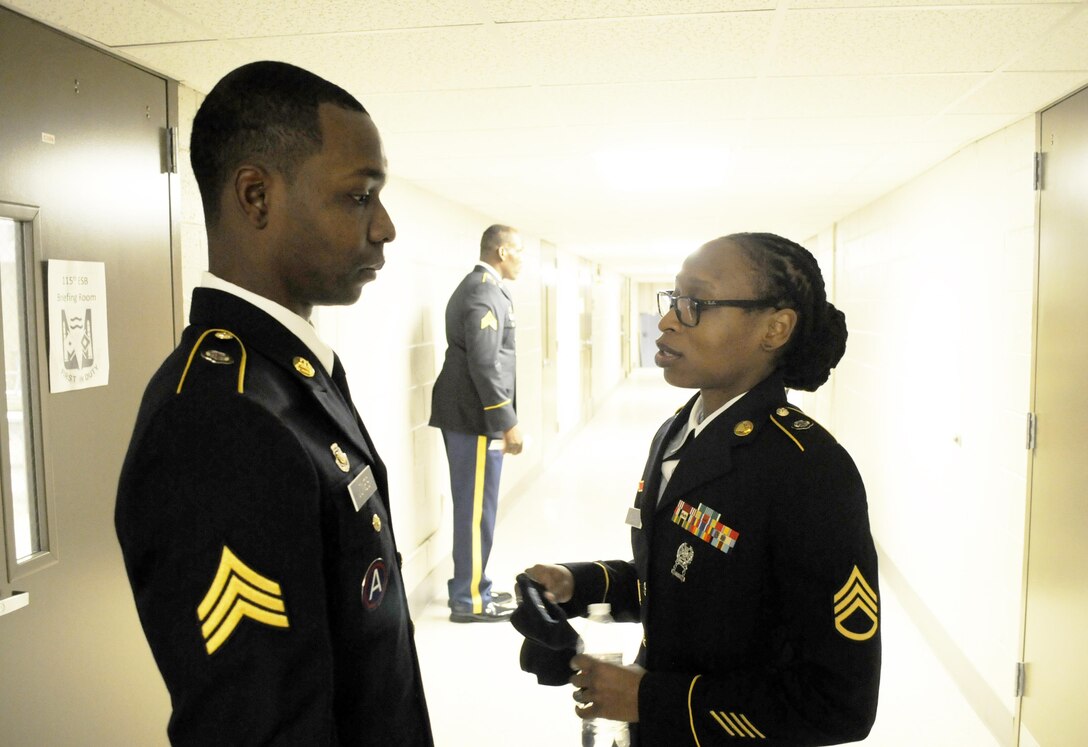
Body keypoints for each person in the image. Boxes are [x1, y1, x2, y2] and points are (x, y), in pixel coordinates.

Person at [114, 61, 433, 746]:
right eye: (359, 197)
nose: (385, 227)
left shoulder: (286, 376)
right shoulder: (220, 422)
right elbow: (260, 724)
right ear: (255, 195)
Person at [522, 233, 881, 745]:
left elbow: (838, 705)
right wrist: (578, 584)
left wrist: (651, 700)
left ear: (775, 328)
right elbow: (684, 577)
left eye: (696, 304)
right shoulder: (678, 430)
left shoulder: (809, 471)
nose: (668, 320)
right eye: (673, 300)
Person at [429, 225, 525, 622]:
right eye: (518, 251)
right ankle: (469, 601)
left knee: (476, 507)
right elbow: (485, 363)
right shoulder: (483, 291)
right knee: (474, 511)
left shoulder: (484, 287)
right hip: (475, 418)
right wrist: (507, 421)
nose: (522, 259)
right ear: (501, 251)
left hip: (471, 414)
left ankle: (474, 586)